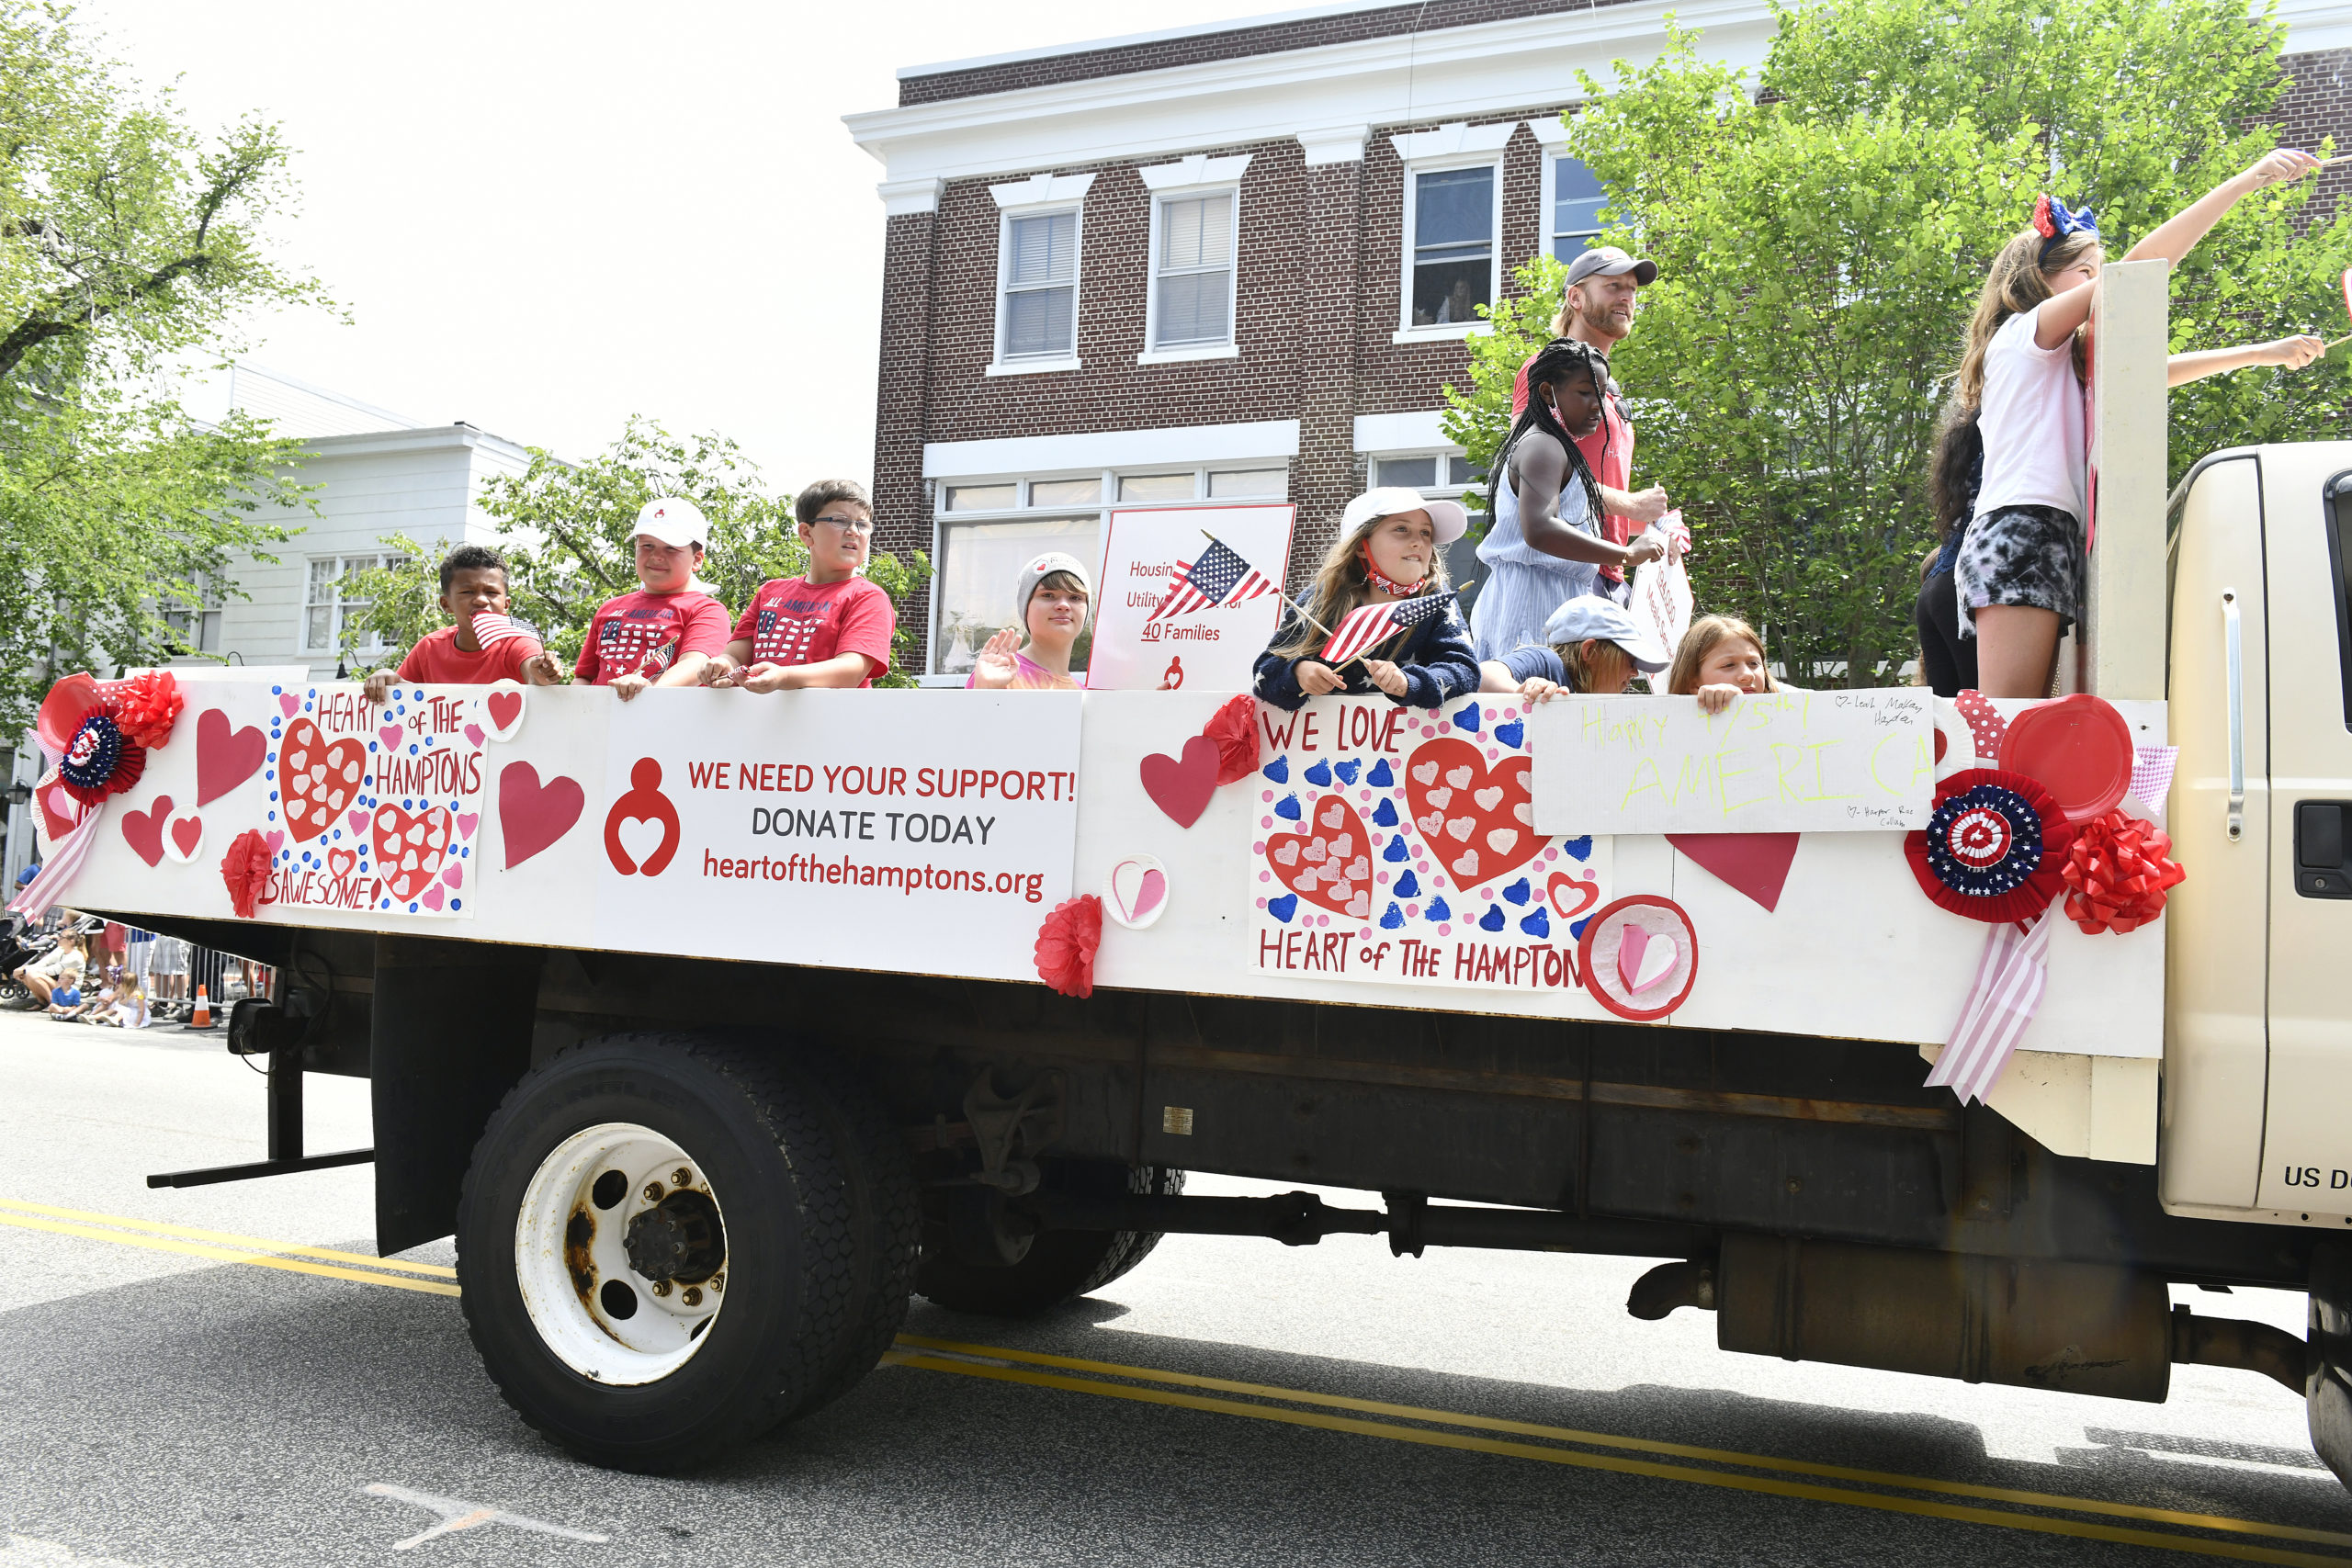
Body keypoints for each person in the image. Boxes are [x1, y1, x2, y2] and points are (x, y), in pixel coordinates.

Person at [1929, 153, 2324, 698]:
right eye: (2085, 271)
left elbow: (2146, 376)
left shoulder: (2059, 355)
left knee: (2022, 722)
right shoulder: (2025, 335)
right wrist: (2248, 178)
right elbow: (2140, 270)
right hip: (2022, 527)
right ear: (2038, 279)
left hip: (2042, 529)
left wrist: (2264, 353)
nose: (2098, 283)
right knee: (2011, 722)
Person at [1472, 338, 1669, 663]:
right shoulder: (1542, 446)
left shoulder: (1554, 447)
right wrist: (1626, 554)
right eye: (1585, 392)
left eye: (1602, 393)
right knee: (1536, 703)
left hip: (1554, 598)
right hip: (1532, 602)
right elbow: (1539, 529)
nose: (1598, 405)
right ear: (1548, 392)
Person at [1510, 246, 1672, 603]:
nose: (1627, 297)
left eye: (1632, 289)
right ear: (1576, 296)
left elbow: (1599, 505)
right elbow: (1526, 480)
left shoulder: (1609, 392)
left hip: (1609, 576)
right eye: (1614, 286)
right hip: (1560, 576)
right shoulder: (1544, 372)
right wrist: (1632, 504)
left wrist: (1658, 528)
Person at [1254, 488, 1479, 710]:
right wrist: (1297, 673)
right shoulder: (1320, 598)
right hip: (1323, 743)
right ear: (1361, 546)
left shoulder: (1436, 600)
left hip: (1409, 742)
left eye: (1426, 533)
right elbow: (1265, 669)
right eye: (1401, 529)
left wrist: (1410, 683)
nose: (1418, 542)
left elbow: (1464, 668)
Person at [706, 480, 896, 692]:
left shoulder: (867, 597)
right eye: (840, 521)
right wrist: (723, 665)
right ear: (806, 533)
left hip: (834, 722)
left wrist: (783, 676)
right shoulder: (769, 592)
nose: (853, 531)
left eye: (862, 524)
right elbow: (736, 654)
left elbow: (851, 670)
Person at [364, 544, 565, 703]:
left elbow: (534, 673)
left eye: (492, 593)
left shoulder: (518, 643)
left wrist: (542, 673)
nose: (481, 600)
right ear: (446, 604)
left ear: (506, 604)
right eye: (468, 592)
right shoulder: (429, 647)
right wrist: (385, 677)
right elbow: (402, 695)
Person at [576, 498, 732, 699]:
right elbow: (584, 677)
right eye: (648, 545)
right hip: (602, 721)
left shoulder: (707, 610)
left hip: (667, 722)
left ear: (697, 560)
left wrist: (646, 690)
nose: (657, 556)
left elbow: (696, 665)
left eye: (671, 548)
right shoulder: (610, 607)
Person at [1478, 594, 1669, 701]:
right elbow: (1483, 674)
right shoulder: (1547, 661)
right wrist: (1522, 694)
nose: (1635, 672)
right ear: (1590, 651)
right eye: (1630, 659)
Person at [968, 553, 1091, 691]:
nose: (1063, 605)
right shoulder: (997, 672)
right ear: (1025, 606)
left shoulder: (1084, 694)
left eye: (1075, 597)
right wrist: (985, 689)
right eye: (1048, 595)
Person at [1668, 615, 1781, 715]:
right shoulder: (1670, 727)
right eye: (1729, 665)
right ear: (1693, 684)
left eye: (1753, 663)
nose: (1747, 675)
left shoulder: (1790, 714)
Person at [15, 926, 84, 1010]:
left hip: (70, 989)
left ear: (71, 941)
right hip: (60, 983)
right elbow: (43, 963)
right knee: (26, 975)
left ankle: (53, 1003)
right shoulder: (60, 950)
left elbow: (53, 970)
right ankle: (41, 1003)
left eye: (62, 937)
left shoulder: (75, 956)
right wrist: (22, 969)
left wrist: (25, 970)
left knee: (32, 975)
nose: (58, 938)